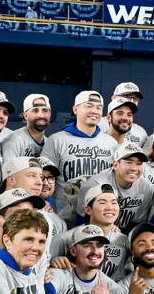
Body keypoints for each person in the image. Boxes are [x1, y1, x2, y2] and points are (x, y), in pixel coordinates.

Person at [44, 90, 119, 223]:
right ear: (75, 109)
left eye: (98, 107)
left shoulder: (111, 143)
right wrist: (48, 207)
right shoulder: (57, 140)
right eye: (88, 106)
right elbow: (45, 177)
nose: (94, 111)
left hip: (99, 219)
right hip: (64, 219)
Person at [0, 93, 51, 161]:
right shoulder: (13, 141)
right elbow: (8, 170)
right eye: (35, 111)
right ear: (25, 115)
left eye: (45, 111)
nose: (41, 115)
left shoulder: (49, 144)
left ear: (50, 114)